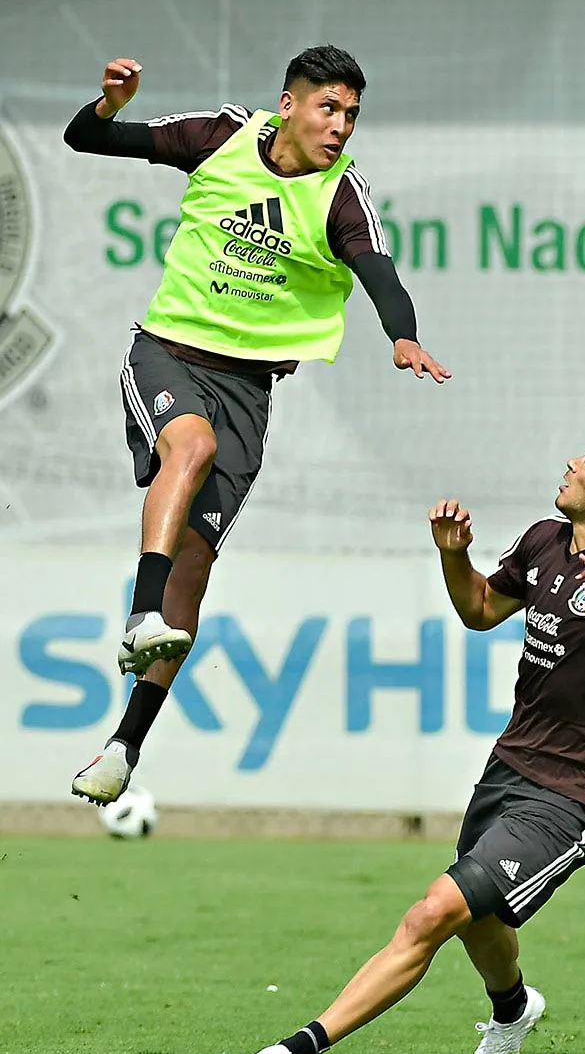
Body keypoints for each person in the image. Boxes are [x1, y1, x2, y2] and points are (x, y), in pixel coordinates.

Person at [234, 420, 585, 1054]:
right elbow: (481, 609)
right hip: (507, 768)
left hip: (572, 799)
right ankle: (512, 1010)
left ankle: (296, 1049)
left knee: (434, 912)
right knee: (477, 917)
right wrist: (453, 555)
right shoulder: (546, 541)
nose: (573, 463)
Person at [64, 45, 450, 806]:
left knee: (198, 570)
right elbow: (88, 139)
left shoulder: (343, 196)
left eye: (352, 116)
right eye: (328, 109)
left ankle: (123, 747)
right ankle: (140, 611)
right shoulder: (222, 138)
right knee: (192, 447)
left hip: (248, 391)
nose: (340, 127)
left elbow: (380, 273)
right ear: (288, 105)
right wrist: (110, 104)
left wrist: (401, 333)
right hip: (169, 354)